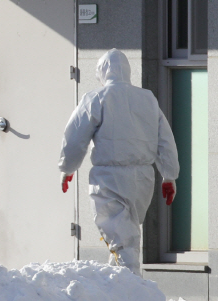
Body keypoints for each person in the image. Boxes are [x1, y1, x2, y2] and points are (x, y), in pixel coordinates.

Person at [58, 49, 179, 275]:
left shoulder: (96, 99)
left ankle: (133, 288)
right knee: (127, 233)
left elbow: (75, 136)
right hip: (143, 178)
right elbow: (165, 139)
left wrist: (67, 167)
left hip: (109, 177)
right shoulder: (147, 99)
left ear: (102, 72)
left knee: (120, 237)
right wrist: (169, 175)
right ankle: (116, 287)